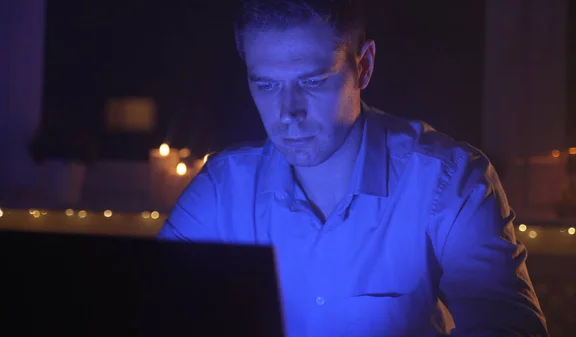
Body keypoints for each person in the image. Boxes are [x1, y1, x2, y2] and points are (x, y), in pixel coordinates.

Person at [157, 1, 548, 336]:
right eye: (267, 86)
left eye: (312, 82)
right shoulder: (223, 189)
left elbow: (509, 325)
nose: (288, 113)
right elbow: (148, 310)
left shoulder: (446, 179)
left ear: (363, 67)